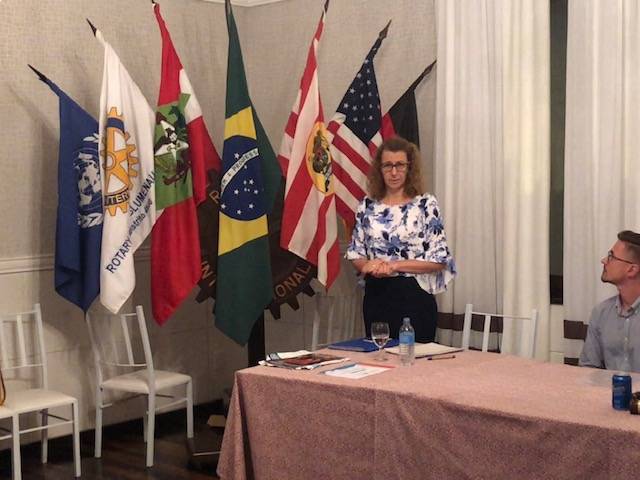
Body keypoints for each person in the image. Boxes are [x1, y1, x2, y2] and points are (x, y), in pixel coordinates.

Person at [346, 136, 456, 343]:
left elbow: (439, 260)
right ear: (379, 169)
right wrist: (369, 265)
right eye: (388, 165)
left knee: (414, 359)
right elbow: (355, 253)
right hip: (376, 295)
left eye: (400, 165)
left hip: (414, 295)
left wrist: (395, 266)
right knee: (378, 356)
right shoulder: (367, 206)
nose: (394, 172)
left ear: (409, 167)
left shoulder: (425, 205)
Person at [580, 230, 640, 372]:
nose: (604, 260)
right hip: (608, 387)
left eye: (611, 256)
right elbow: (588, 368)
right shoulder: (601, 313)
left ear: (632, 269)